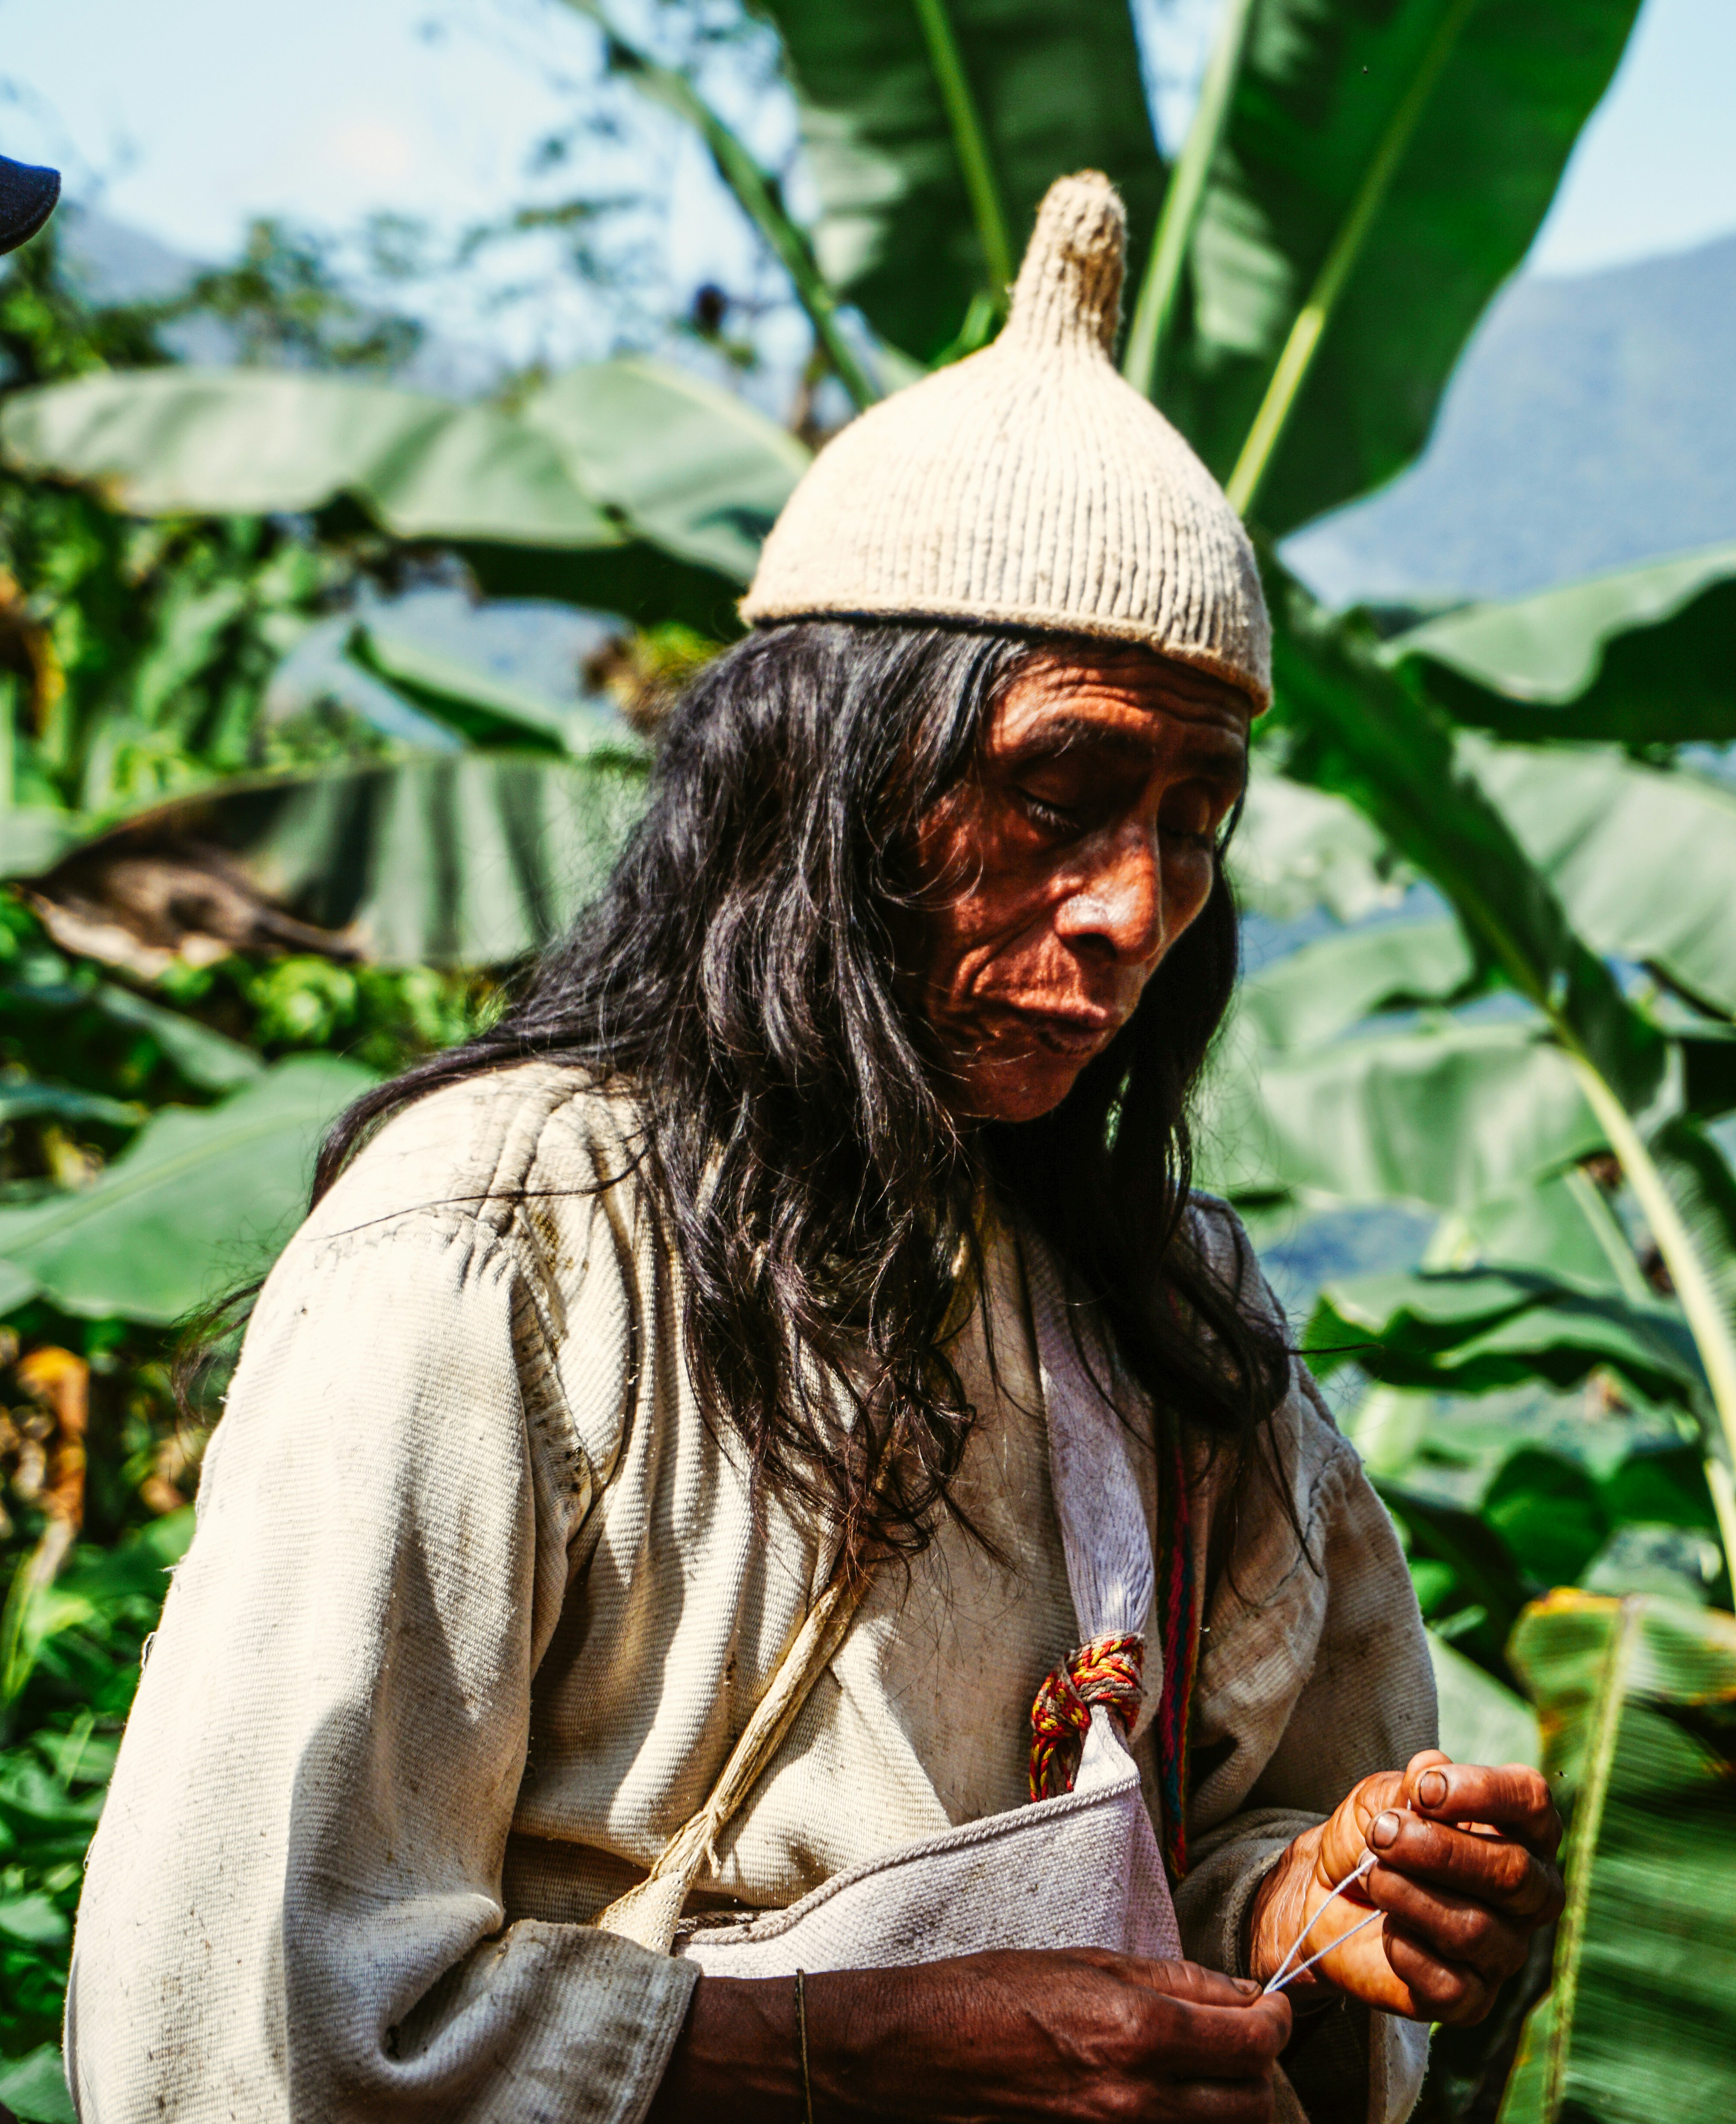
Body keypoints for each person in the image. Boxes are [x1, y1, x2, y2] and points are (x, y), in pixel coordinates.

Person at [66, 175, 1562, 2124]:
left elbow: (1227, 1847)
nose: (1134, 907)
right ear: (822, 794)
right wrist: (831, 2055)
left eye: (1192, 819)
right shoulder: (500, 1246)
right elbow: (236, 2018)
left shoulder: (1159, 1306)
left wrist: (1317, 1898)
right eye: (1058, 790)